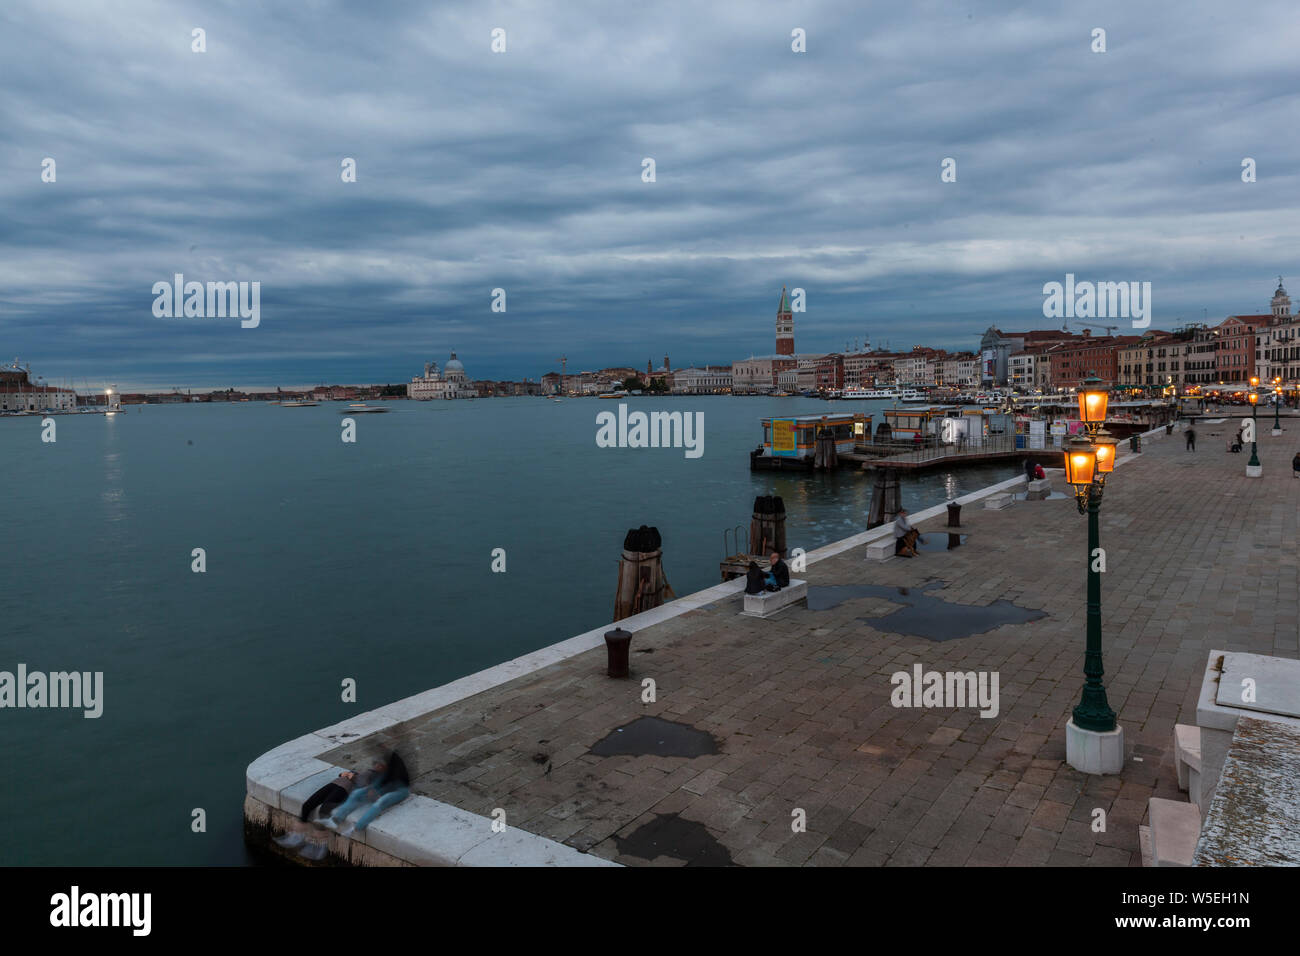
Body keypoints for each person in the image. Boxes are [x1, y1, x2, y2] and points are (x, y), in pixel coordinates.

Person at [323, 750, 411, 837]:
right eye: (376, 765)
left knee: (380, 802)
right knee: (357, 793)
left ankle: (356, 828)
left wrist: (377, 795)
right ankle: (336, 819)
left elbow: (389, 789)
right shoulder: (383, 772)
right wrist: (369, 789)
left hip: (400, 790)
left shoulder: (396, 774)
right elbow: (374, 785)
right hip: (386, 788)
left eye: (379, 765)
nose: (376, 767)